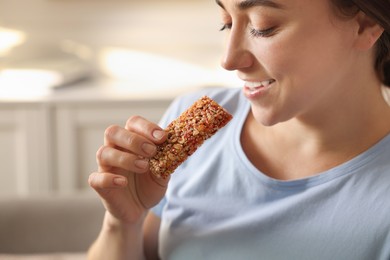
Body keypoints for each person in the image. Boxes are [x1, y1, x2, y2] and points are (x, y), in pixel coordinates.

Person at [87, 0, 390, 259]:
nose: (228, 60)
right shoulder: (194, 126)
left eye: (263, 26)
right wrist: (123, 223)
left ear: (364, 25)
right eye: (226, 23)